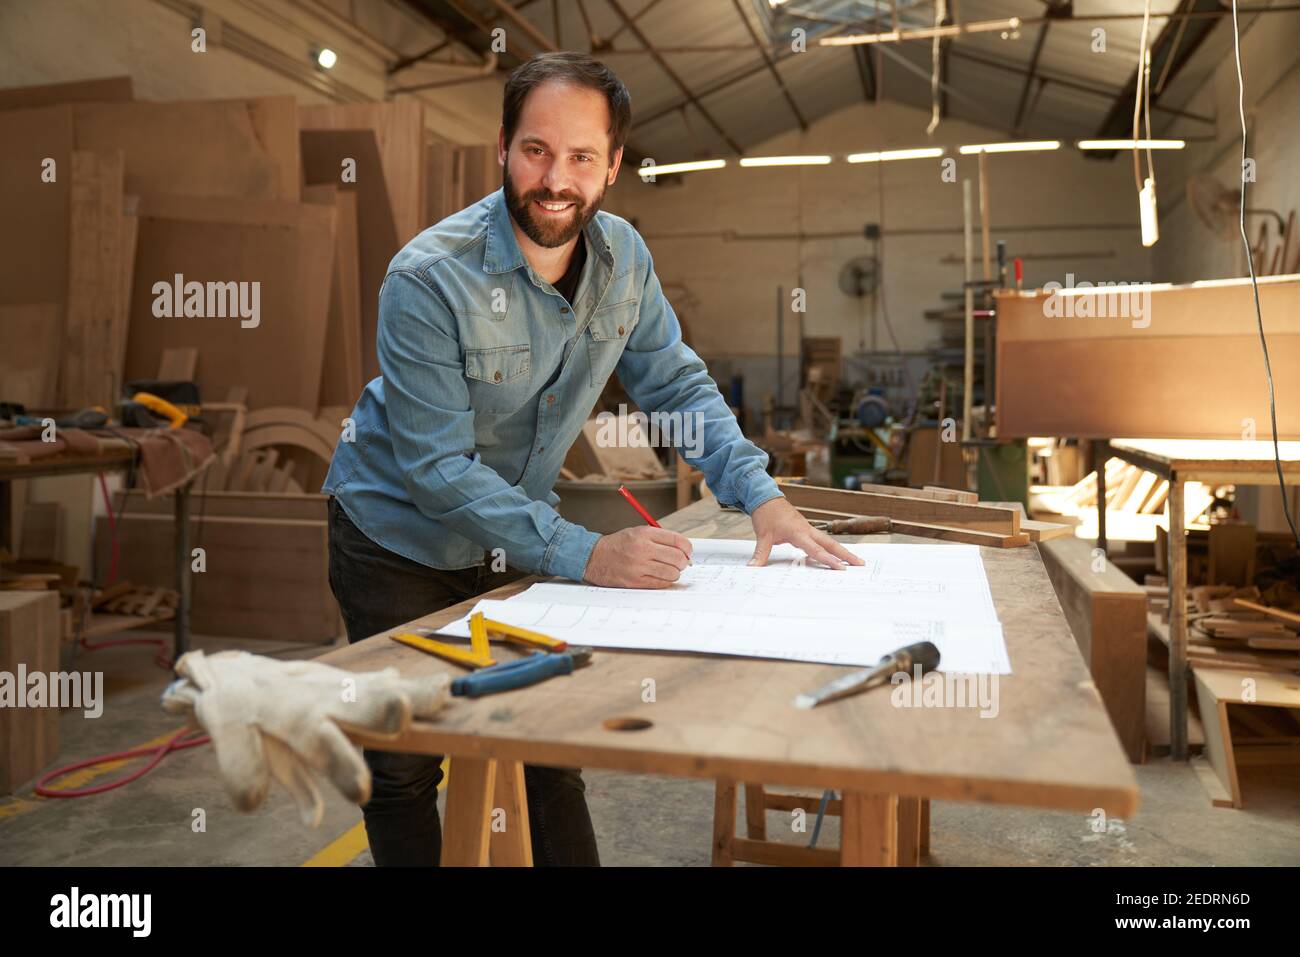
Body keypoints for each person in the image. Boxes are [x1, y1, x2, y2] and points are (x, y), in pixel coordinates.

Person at [324, 51, 862, 867]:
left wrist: (762, 496)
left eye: (582, 157)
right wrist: (587, 553)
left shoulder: (624, 262)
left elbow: (675, 384)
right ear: (502, 148)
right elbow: (436, 470)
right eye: (537, 150)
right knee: (405, 764)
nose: (555, 179)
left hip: (513, 534)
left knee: (545, 743)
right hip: (396, 537)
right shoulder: (427, 278)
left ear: (613, 166)